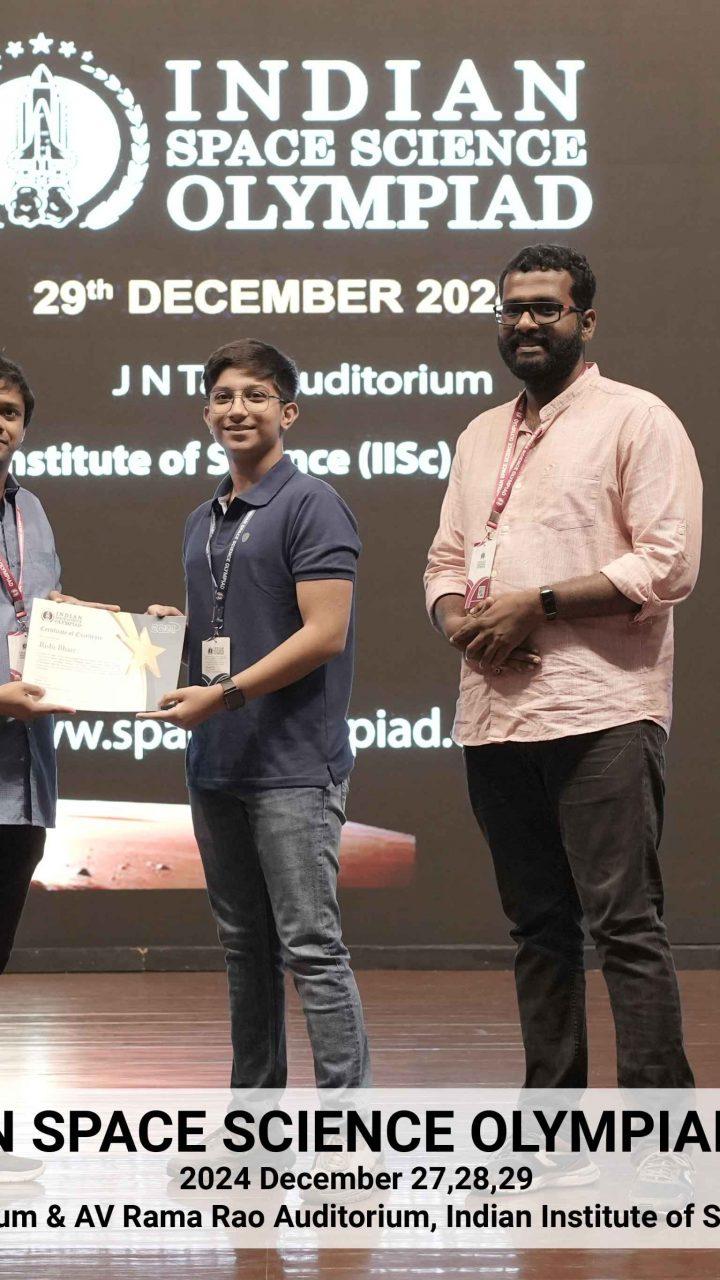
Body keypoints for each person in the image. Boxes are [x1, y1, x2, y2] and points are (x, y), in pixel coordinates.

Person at [424, 244, 702, 1199]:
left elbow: (667, 564)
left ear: (586, 320)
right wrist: (462, 623)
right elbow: (445, 562)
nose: (527, 324)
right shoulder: (478, 436)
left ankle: (664, 1140)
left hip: (602, 711)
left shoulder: (637, 419)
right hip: (497, 716)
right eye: (513, 310)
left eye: (546, 308)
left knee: (624, 925)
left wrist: (534, 604)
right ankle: (554, 1134)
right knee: (538, 931)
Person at [143, 339, 371, 1130]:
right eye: (224, 397)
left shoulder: (313, 503)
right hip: (218, 762)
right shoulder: (201, 520)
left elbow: (324, 634)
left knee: (311, 948)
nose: (237, 409)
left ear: (288, 412)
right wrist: (170, 635)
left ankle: (351, 1133)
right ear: (206, 413)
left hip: (294, 767)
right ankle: (254, 1129)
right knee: (246, 951)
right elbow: (231, 630)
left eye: (256, 395)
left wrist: (225, 694)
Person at [0, 354, 118, 1182]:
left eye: (8, 411)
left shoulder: (31, 511)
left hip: (21, 783)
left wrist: (99, 634)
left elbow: (38, 613)